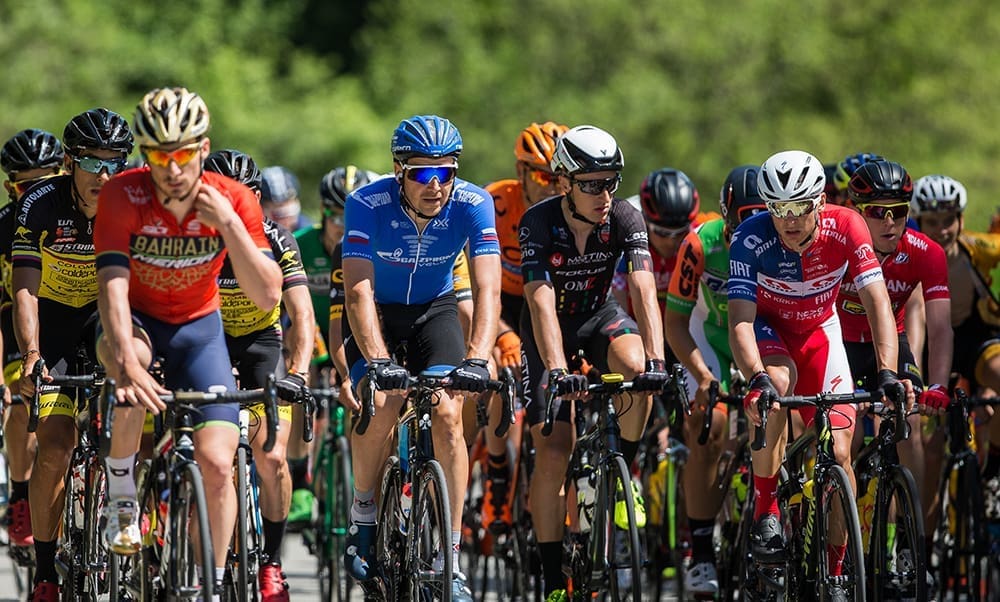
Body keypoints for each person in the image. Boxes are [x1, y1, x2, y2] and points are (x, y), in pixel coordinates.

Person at [93, 87, 282, 601]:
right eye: (159, 156)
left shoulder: (233, 197)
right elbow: (111, 285)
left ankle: (211, 584)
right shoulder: (123, 195)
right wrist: (127, 362)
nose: (172, 169)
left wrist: (229, 225)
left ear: (204, 148)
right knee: (128, 368)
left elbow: (267, 295)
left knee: (219, 463)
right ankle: (122, 496)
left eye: (183, 154)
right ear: (144, 155)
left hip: (200, 332)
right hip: (137, 321)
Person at [728, 150, 908, 591]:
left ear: (821, 201)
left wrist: (887, 372)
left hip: (819, 333)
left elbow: (878, 304)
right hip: (770, 332)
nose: (789, 220)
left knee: (841, 453)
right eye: (779, 209)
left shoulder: (847, 226)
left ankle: (837, 570)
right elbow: (740, 321)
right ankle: (767, 510)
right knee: (777, 385)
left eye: (799, 207)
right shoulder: (750, 237)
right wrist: (756, 377)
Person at [340, 115, 501, 601]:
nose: (436, 185)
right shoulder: (365, 203)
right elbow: (358, 292)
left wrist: (478, 358)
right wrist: (377, 359)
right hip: (377, 312)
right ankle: (363, 515)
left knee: (449, 413)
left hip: (435, 310)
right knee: (384, 402)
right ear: (398, 171)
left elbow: (488, 287)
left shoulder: (474, 202)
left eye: (445, 172)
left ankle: (450, 559)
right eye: (422, 173)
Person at [518, 125, 669, 598]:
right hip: (548, 328)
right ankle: (551, 577)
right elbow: (540, 301)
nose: (604, 195)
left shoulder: (625, 217)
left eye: (611, 183)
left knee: (638, 369)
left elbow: (643, 290)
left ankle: (623, 473)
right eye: (591, 184)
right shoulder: (538, 222)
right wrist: (557, 370)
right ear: (564, 183)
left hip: (599, 316)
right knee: (554, 452)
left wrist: (657, 360)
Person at [10, 109, 132, 600]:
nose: (104, 174)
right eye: (92, 162)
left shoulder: (132, 202)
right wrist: (31, 354)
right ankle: (45, 572)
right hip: (55, 324)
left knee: (130, 423)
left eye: (114, 162)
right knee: (56, 447)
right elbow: (25, 289)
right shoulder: (40, 202)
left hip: (106, 319)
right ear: (68, 162)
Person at [204, 149, 314, 601]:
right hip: (207, 343)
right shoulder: (190, 238)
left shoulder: (277, 238)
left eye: (245, 195)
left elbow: (301, 313)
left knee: (271, 458)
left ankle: (271, 561)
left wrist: (300, 371)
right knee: (207, 454)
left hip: (260, 345)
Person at [664, 164, 767, 595]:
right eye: (745, 217)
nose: (755, 226)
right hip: (711, 343)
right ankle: (702, 551)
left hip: (762, 340)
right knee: (710, 425)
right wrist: (703, 376)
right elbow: (675, 322)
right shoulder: (699, 244)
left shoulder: (783, 241)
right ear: (725, 215)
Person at [839, 161, 952, 532]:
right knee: (849, 433)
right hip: (839, 343)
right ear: (857, 211)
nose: (889, 222)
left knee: (911, 420)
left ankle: (908, 535)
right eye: (877, 212)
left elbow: (940, 327)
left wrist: (938, 385)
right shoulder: (836, 247)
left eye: (899, 212)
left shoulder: (926, 252)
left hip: (890, 342)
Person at [478, 121, 567, 531]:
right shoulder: (494, 203)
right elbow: (477, 285)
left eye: (560, 177)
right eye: (543, 177)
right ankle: (497, 471)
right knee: (497, 375)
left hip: (545, 302)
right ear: (521, 173)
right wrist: (500, 333)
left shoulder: (573, 209)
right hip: (499, 300)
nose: (554, 186)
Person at [910, 174, 1000, 522]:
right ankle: (924, 537)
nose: (942, 230)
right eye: (932, 222)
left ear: (961, 220)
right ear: (919, 222)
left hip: (973, 338)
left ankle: (993, 469)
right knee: (933, 450)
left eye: (949, 221)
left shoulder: (977, 248)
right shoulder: (910, 256)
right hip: (931, 348)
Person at [0, 129, 63, 553]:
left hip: (64, 321)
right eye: (27, 186)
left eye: (47, 182)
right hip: (14, 327)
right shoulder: (4, 227)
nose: (37, 193)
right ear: (11, 188)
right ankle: (21, 495)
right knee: (22, 403)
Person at [611, 168, 701, 318]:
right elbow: (619, 311)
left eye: (681, 232)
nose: (671, 241)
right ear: (645, 221)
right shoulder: (624, 241)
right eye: (662, 233)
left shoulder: (700, 236)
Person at [261, 166, 313, 232]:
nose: (285, 222)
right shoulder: (254, 233)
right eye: (277, 215)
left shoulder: (307, 231)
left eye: (290, 212)